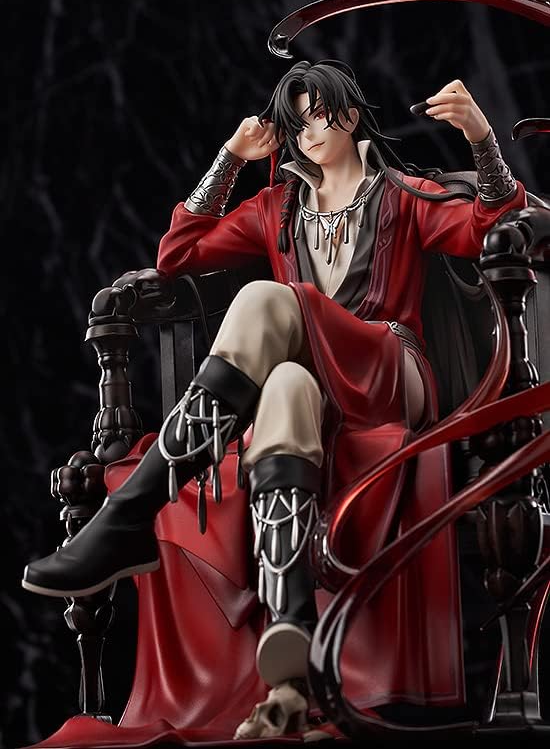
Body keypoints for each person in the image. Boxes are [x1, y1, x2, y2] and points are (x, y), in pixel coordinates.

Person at [22, 60, 526, 739]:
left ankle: (130, 514)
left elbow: (495, 223)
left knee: (266, 298)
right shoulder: (276, 208)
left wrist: (482, 138)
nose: (310, 130)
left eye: (321, 114)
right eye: (298, 121)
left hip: (389, 373)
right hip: (318, 392)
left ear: (351, 115)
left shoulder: (402, 194)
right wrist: (231, 157)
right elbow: (178, 253)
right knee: (285, 385)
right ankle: (293, 645)